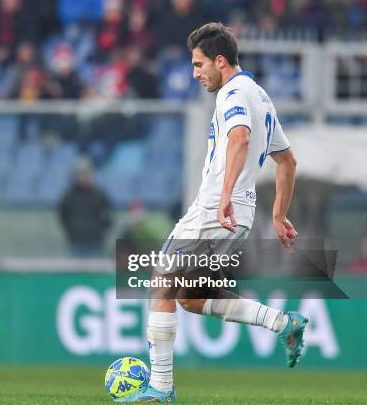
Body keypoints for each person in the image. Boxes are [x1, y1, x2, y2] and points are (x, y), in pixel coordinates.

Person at [117, 23, 308, 403]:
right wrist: (278, 215)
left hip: (215, 210)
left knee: (160, 278)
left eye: (199, 63)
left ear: (220, 61)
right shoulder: (261, 96)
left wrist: (223, 195)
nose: (195, 73)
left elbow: (240, 138)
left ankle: (161, 387)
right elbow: (287, 161)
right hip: (243, 214)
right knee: (186, 295)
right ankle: (284, 323)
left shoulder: (233, 93)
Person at [58, 160, 111, 257]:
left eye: (86, 173)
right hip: (76, 243)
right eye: (80, 173)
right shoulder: (69, 196)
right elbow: (63, 215)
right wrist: (72, 231)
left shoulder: (99, 194)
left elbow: (107, 215)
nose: (83, 176)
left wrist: (100, 231)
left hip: (96, 243)